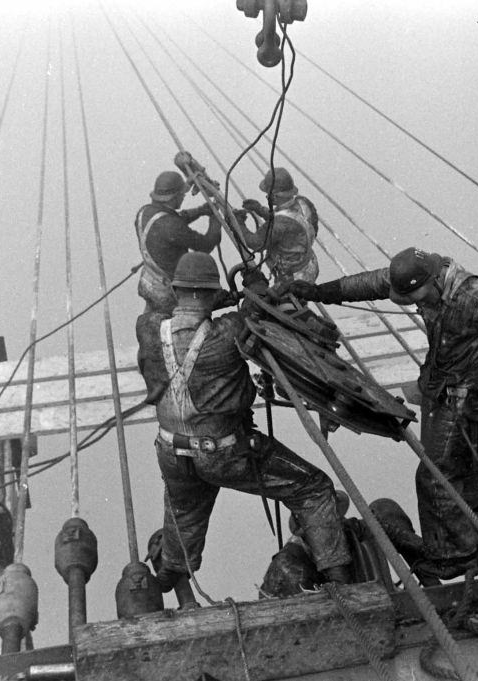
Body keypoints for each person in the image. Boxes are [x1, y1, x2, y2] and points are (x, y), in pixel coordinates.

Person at [279, 247, 478, 581]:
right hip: (444, 388)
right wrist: (319, 292)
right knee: (459, 474)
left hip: (468, 398)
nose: (415, 304)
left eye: (416, 297)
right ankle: (476, 534)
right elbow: (372, 283)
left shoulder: (476, 299)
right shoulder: (422, 273)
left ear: (433, 280)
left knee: (435, 477)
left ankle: (453, 556)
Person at [136, 252, 351, 606]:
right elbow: (258, 311)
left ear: (177, 290)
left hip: (171, 451)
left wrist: (212, 295)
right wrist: (250, 287)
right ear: (210, 293)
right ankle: (343, 587)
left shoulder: (147, 326)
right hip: (224, 451)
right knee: (314, 489)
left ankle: (170, 570)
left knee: (184, 509)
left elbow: (176, 305)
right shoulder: (229, 332)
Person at [135, 161, 222, 314]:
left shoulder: (144, 212)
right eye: (182, 194)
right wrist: (216, 217)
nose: (183, 197)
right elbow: (206, 244)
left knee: (152, 323)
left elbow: (172, 220)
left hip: (151, 283)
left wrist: (201, 210)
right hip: (168, 293)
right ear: (174, 197)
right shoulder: (172, 226)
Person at [237, 167, 321, 287]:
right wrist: (260, 210)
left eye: (268, 195)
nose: (267, 197)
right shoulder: (302, 203)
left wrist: (238, 223)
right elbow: (289, 223)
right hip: (309, 265)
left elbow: (256, 243)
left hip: (294, 279)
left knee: (273, 302)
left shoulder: (278, 224)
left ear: (274, 197)